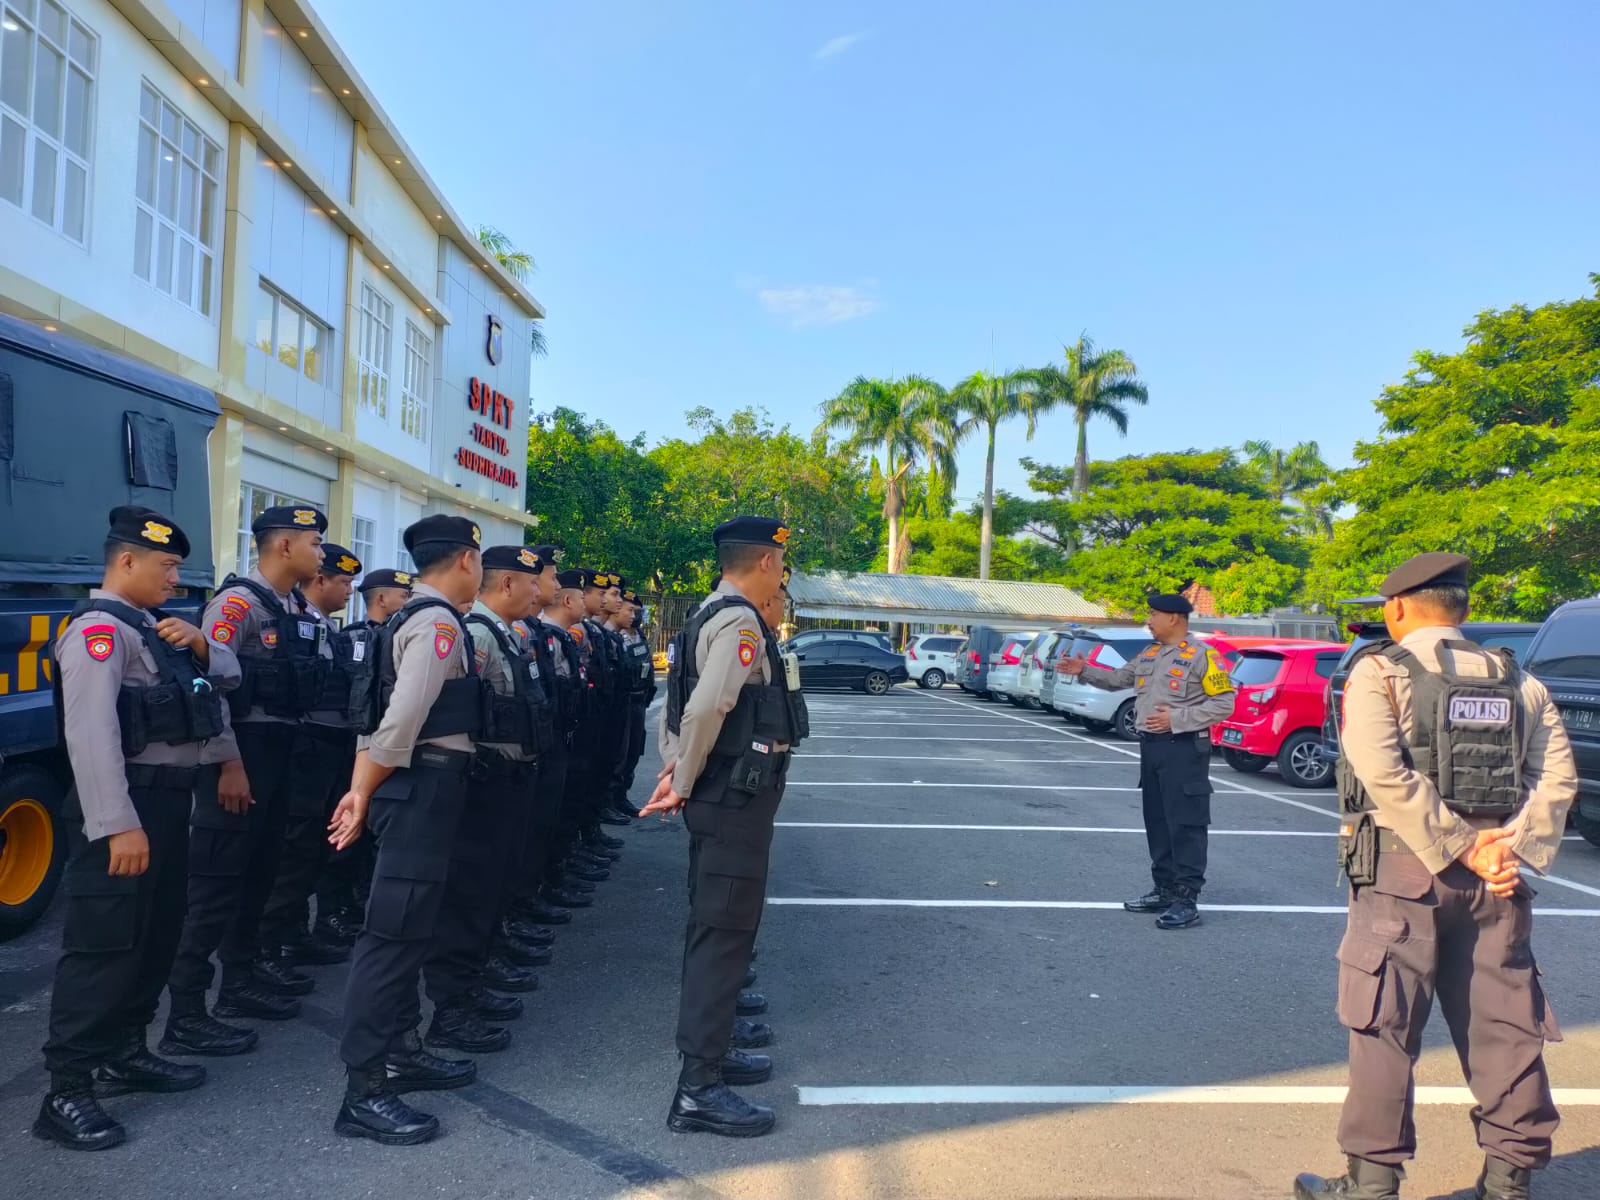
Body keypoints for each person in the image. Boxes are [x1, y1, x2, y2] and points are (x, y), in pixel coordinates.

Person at [1295, 553, 1577, 1200]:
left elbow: (1381, 771)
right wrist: (1506, 848)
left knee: (1384, 1028)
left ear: (1396, 609)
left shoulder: (1379, 672)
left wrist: (1457, 846)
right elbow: (1557, 778)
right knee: (1506, 1027)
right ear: (1465, 611)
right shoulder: (1521, 681)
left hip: (1403, 872)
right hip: (1497, 881)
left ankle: (1371, 1184)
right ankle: (1509, 1183)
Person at [35, 508, 238, 1150]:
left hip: (169, 806)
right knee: (104, 947)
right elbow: (90, 736)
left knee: (155, 936)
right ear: (127, 562)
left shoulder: (155, 629)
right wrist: (118, 825)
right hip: (125, 808)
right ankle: (65, 1091)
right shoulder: (99, 632)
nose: (176, 579)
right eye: (167, 566)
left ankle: (126, 1051)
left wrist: (203, 642)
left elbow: (226, 677)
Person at [642, 516, 807, 1138]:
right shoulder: (739, 620)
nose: (782, 576)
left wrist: (674, 769)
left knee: (714, 925)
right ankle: (699, 1089)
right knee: (724, 932)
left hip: (718, 794)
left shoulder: (702, 615)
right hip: (733, 799)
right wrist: (680, 780)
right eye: (781, 565)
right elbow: (709, 705)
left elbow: (679, 707)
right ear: (766, 562)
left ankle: (712, 1057)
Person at [326, 515, 484, 1145]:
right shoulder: (437, 622)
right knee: (392, 936)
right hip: (417, 787)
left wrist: (366, 786)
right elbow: (400, 721)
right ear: (467, 560)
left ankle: (399, 1050)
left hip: (419, 786)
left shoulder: (414, 616)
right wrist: (361, 791)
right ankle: (364, 1089)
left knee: (411, 930)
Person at [163, 506, 329, 1051]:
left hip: (283, 751)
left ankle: (240, 979)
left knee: (262, 871)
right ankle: (186, 1013)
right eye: (314, 542)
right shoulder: (235, 605)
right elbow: (206, 690)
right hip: (240, 755)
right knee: (215, 884)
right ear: (283, 546)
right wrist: (228, 762)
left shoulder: (297, 605)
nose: (321, 553)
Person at [418, 545, 552, 1055]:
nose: (539, 591)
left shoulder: (503, 634)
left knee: (494, 886)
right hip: (483, 783)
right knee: (469, 893)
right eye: (530, 582)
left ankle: (475, 981)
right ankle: (452, 1008)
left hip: (510, 780)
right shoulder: (475, 634)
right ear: (508, 584)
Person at [1058, 594, 1236, 930]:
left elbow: (1225, 704)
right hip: (1151, 748)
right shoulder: (1150, 653)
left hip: (1183, 748)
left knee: (1185, 823)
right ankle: (1164, 888)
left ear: (1174, 618)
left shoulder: (1203, 656)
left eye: (1154, 614)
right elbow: (1118, 680)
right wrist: (1084, 671)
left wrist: (1178, 718)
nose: (1149, 620)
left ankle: (1186, 898)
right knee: (1157, 821)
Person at [258, 543, 363, 971]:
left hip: (328, 750)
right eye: (342, 582)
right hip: (306, 749)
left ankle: (295, 934)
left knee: (313, 852)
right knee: (293, 850)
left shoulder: (323, 628)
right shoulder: (294, 622)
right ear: (319, 581)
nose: (349, 591)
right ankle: (270, 948)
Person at [313, 567, 414, 946]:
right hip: (348, 747)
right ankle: (332, 911)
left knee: (373, 836)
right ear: (382, 598)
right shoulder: (353, 637)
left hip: (381, 748)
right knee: (344, 835)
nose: (407, 602)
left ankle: (358, 901)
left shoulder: (396, 636)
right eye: (402, 595)